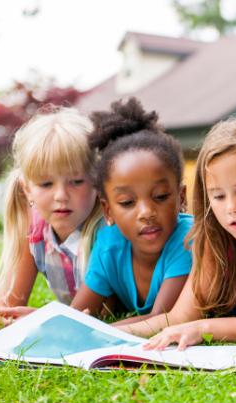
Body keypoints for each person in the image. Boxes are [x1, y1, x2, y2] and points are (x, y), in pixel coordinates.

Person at [119, 117, 236, 348]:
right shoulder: (215, 241)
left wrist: (205, 329)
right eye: (218, 196)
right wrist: (105, 332)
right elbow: (180, 317)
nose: (231, 207)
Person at [0, 107, 103, 332]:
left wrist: (44, 318)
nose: (61, 195)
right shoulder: (36, 232)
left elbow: (101, 314)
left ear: (97, 183)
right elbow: (10, 304)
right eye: (46, 184)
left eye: (77, 181)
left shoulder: (107, 231)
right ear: (27, 189)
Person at [69, 98, 192, 321]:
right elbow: (76, 316)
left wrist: (102, 330)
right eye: (127, 202)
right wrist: (35, 320)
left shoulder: (187, 239)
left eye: (161, 196)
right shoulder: (109, 244)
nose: (146, 212)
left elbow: (162, 319)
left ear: (181, 197)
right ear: (107, 210)